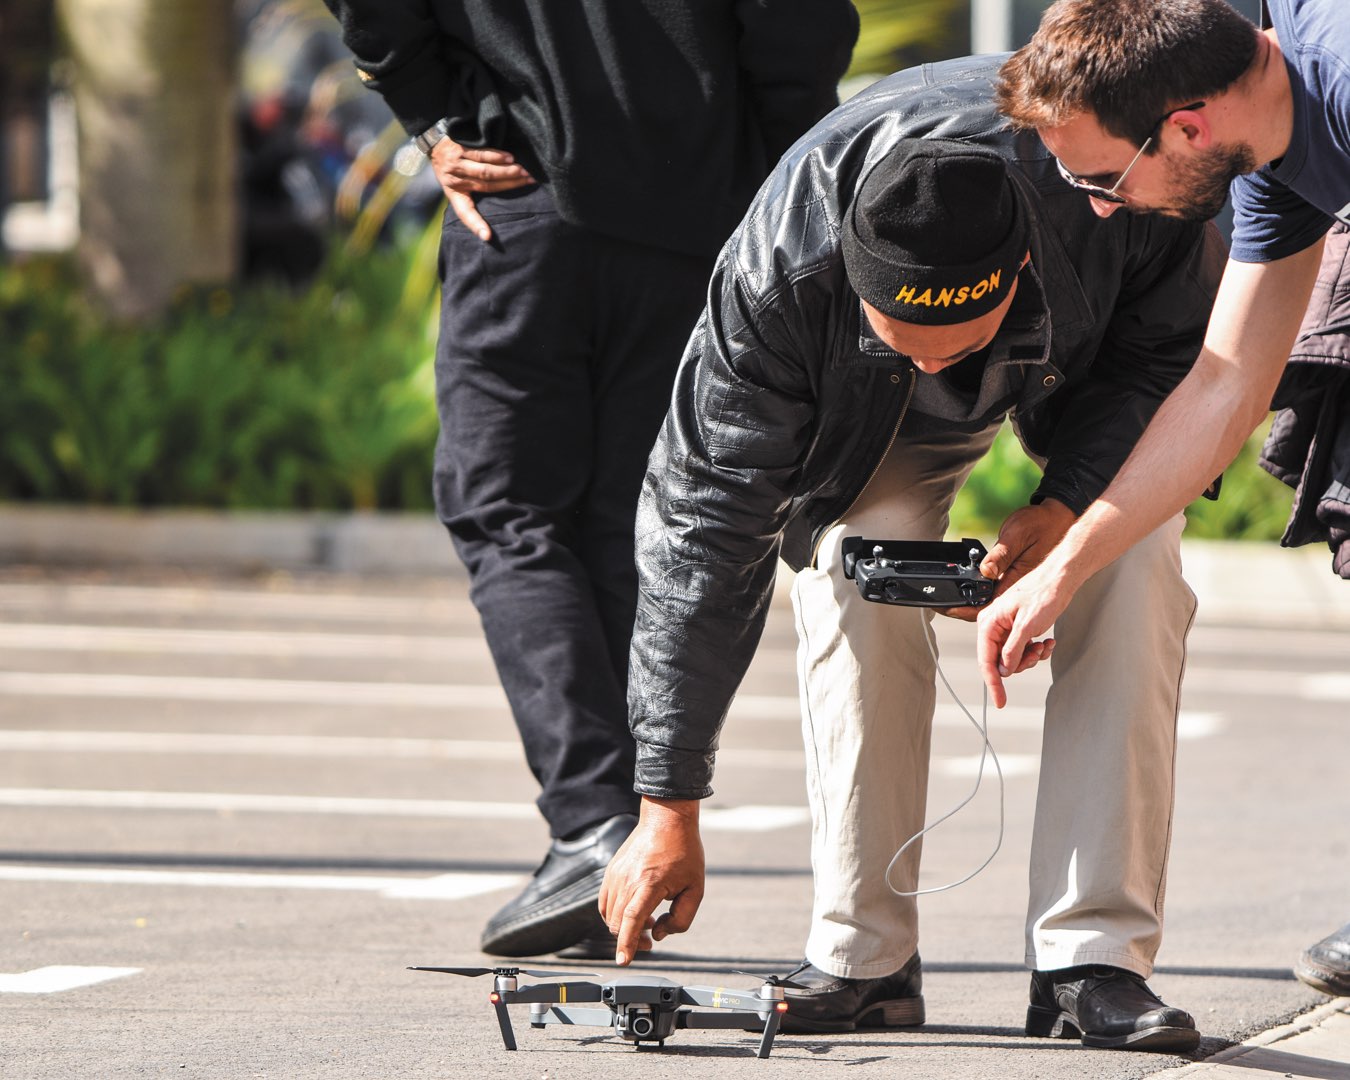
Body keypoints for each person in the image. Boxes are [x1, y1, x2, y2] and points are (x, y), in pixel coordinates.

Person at [599, 56, 1224, 1050]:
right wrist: (667, 803)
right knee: (856, 566)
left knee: (1135, 560)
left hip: (1094, 368)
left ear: (1016, 269)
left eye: (955, 347)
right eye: (908, 343)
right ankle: (862, 958)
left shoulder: (1117, 191)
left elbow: (1168, 360)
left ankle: (1091, 961)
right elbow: (702, 524)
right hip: (867, 415)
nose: (937, 366)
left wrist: (1065, 509)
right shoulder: (779, 277)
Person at [318, 1, 857, 957]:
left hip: (522, 192)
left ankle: (592, 825)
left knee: (506, 511)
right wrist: (775, 181)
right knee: (623, 520)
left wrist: (431, 114)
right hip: (699, 210)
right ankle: (617, 827)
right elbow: (800, 28)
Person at [984, 0, 1350, 997]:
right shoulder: (1274, 148)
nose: (1097, 209)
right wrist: (1066, 569)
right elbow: (1224, 384)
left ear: (1186, 125)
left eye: (1100, 178)